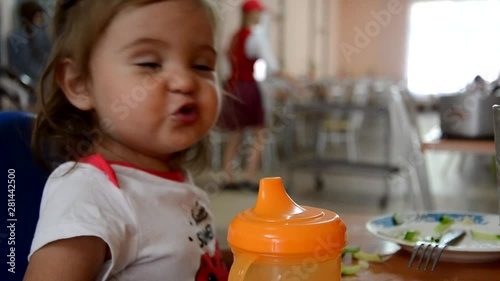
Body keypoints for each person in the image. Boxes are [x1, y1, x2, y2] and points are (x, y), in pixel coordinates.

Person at [24, 0, 230, 280]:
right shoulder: (91, 192)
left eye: (202, 65)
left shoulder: (171, 179)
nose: (184, 80)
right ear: (79, 83)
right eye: (150, 63)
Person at [218, 0, 292, 191]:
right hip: (248, 88)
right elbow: (272, 67)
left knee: (235, 133)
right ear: (252, 15)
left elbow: (227, 65)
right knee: (260, 133)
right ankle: (250, 177)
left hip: (232, 87)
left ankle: (228, 176)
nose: (260, 17)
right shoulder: (255, 37)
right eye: (258, 13)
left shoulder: (234, 37)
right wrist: (294, 81)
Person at [7, 1, 51, 88]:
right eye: (37, 17)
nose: (40, 20)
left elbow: (49, 54)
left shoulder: (44, 33)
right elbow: (20, 64)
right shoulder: (16, 38)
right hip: (27, 83)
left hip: (44, 79)